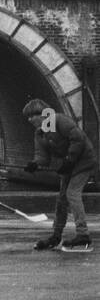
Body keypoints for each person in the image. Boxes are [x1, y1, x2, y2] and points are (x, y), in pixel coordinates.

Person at [22, 98, 97, 252]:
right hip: (69, 165)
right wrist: (35, 164)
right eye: (28, 117)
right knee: (61, 200)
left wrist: (70, 159)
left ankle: (83, 235)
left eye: (32, 116)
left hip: (84, 161)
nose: (30, 120)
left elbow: (78, 138)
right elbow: (43, 157)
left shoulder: (59, 120)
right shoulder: (40, 133)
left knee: (72, 194)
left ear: (43, 114)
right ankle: (56, 236)